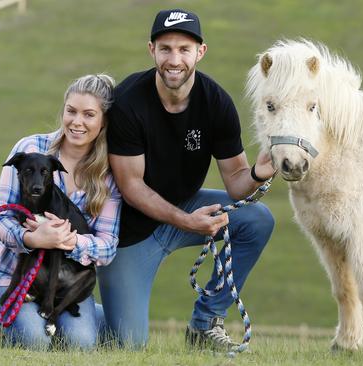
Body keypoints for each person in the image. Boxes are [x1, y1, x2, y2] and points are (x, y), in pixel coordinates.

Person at [99, 9, 276, 351]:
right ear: (152, 50)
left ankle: (205, 323)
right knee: (127, 343)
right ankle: (82, 314)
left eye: (184, 49)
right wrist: (188, 222)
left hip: (186, 211)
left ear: (201, 52)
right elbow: (131, 187)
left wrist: (256, 173)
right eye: (166, 49)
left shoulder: (216, 103)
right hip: (130, 231)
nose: (174, 59)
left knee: (256, 220)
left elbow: (236, 183)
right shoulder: (127, 102)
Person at [0, 74, 121, 350]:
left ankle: (87, 320)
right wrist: (31, 238)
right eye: (71, 111)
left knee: (80, 344)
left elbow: (107, 247)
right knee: (35, 340)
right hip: (5, 277)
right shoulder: (29, 149)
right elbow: (0, 219)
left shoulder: (108, 174)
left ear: (103, 121)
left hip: (61, 286)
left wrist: (70, 240)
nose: (77, 122)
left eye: (89, 114)